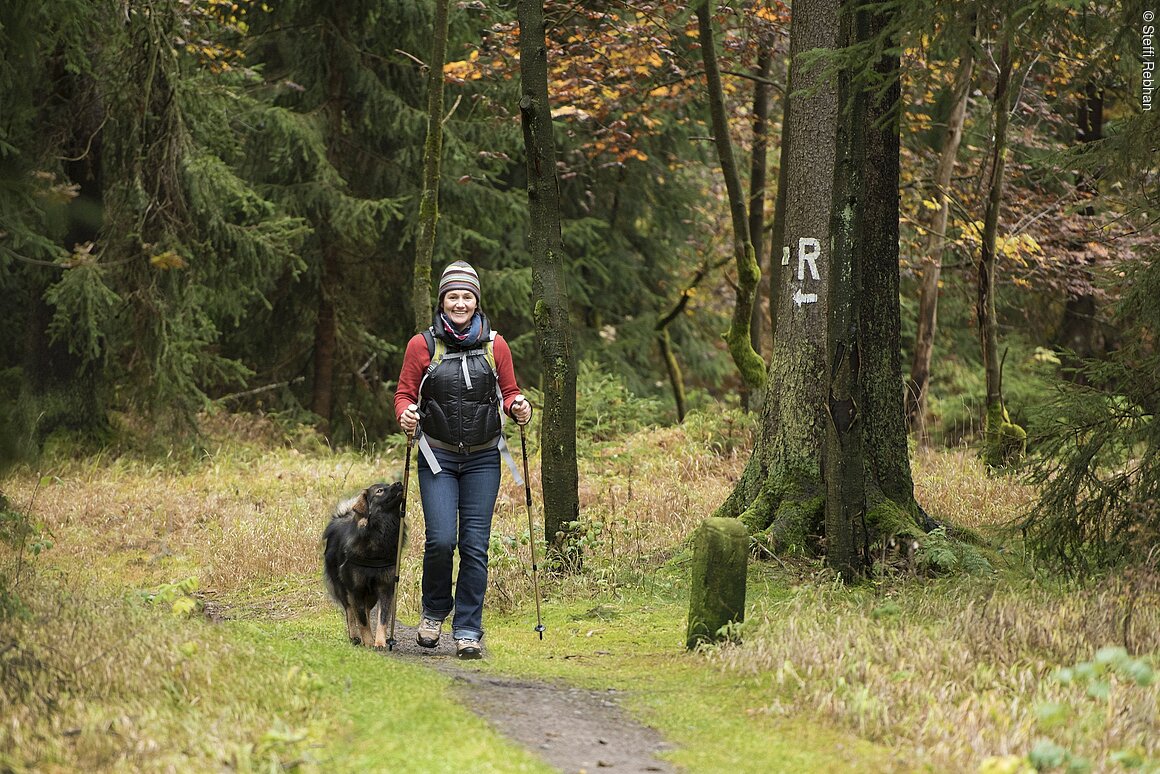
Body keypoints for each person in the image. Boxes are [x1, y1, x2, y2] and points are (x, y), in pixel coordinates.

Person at [394, 260, 532, 659]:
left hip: (484, 459)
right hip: (436, 455)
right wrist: (405, 414)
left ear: (476, 301)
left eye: (466, 296)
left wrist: (519, 406)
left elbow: (509, 393)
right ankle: (434, 611)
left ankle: (468, 628)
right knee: (440, 540)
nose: (459, 303)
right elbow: (404, 395)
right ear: (442, 301)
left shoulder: (495, 344)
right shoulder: (421, 345)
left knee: (474, 545)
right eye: (452, 296)